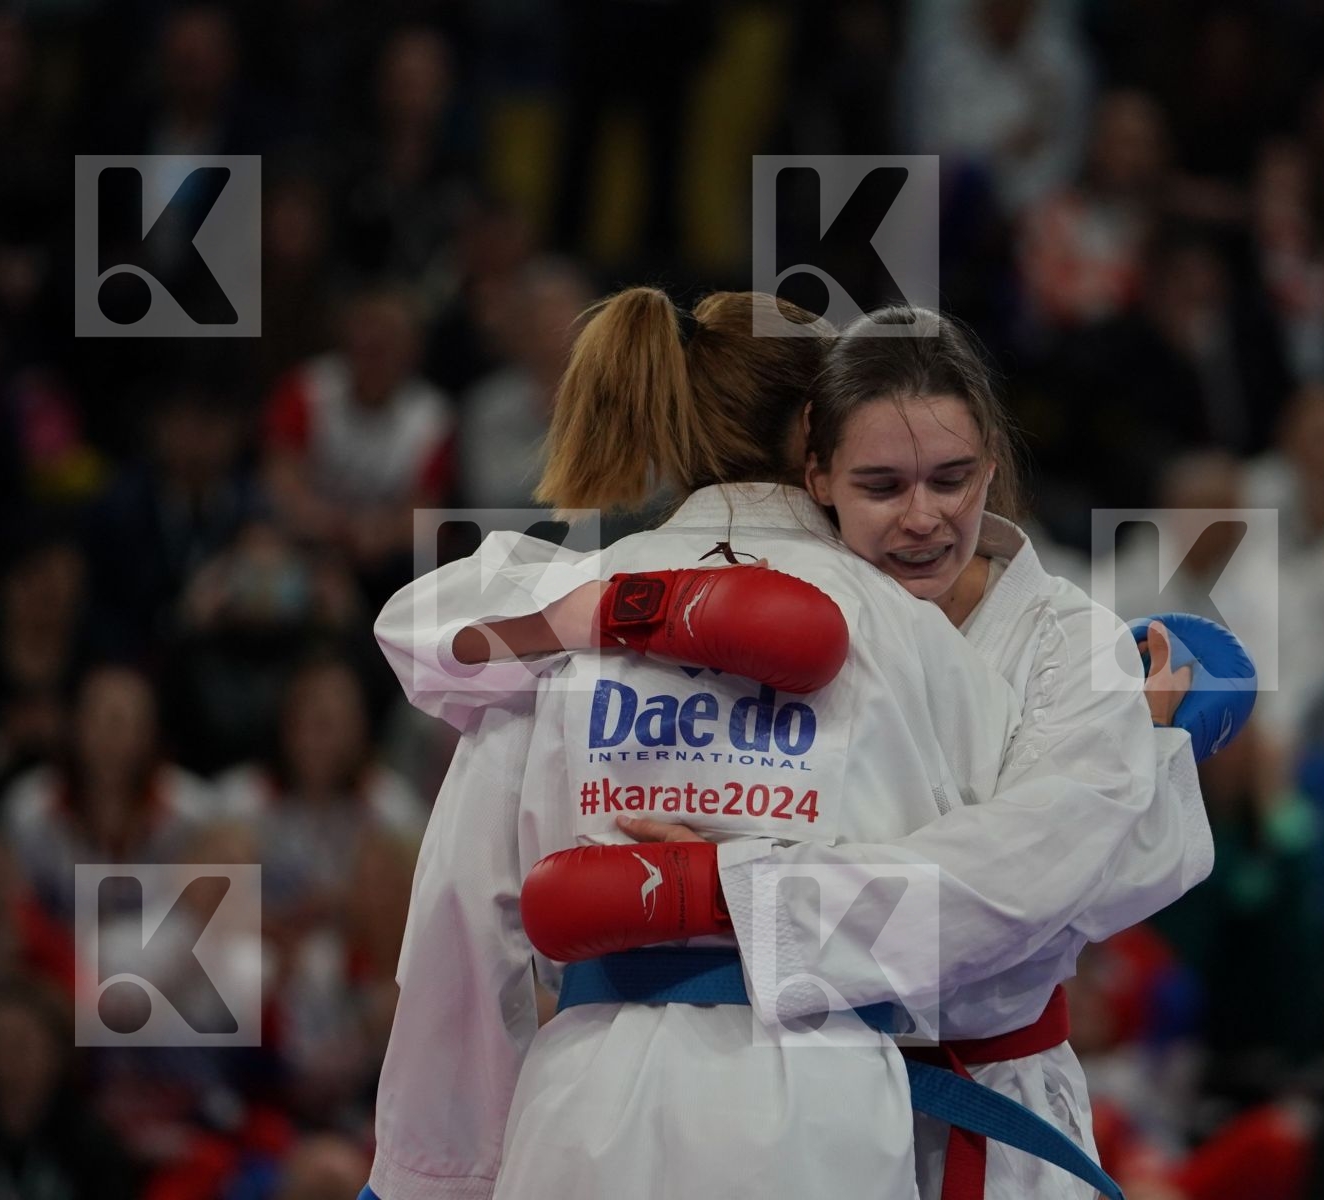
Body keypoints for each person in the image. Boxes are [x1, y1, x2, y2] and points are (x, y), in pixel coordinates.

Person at [366, 291, 1225, 1200]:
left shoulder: (547, 633)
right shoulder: (914, 644)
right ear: (819, 456)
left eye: (949, 479)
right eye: (884, 481)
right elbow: (1029, 882)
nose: (922, 515)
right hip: (824, 1097)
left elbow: (464, 907)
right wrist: (1149, 769)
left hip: (586, 1103)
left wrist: (426, 1178)